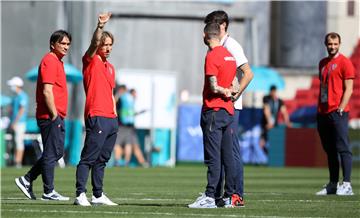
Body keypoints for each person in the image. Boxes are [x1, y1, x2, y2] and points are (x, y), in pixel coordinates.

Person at [204, 10, 254, 207]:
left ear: (223, 25)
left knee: (231, 152)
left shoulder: (231, 45)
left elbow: (248, 73)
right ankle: (221, 195)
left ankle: (235, 195)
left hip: (230, 106)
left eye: (213, 24)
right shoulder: (218, 47)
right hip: (223, 105)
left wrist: (235, 94)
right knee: (222, 153)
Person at [15, 30, 71, 201]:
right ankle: (48, 191)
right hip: (50, 115)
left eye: (68, 44)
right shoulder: (50, 60)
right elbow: (47, 91)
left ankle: (27, 179)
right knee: (52, 152)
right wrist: (54, 115)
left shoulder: (58, 62)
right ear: (52, 44)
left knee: (56, 152)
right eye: (62, 43)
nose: (66, 47)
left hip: (56, 115)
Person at [188, 22, 237, 208]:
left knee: (213, 157)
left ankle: (209, 196)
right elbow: (236, 84)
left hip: (214, 111)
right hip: (228, 111)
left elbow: (213, 86)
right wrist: (231, 93)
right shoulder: (230, 56)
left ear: (205, 35)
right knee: (227, 156)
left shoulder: (212, 55)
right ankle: (229, 197)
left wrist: (224, 91)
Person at [74, 12, 119, 206]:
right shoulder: (90, 61)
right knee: (88, 157)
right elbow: (93, 44)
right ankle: (80, 194)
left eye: (110, 45)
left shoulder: (110, 67)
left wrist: (115, 114)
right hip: (96, 114)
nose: (107, 48)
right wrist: (100, 27)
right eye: (104, 44)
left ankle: (98, 195)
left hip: (111, 118)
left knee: (102, 160)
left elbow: (110, 92)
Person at [316, 32, 355, 196]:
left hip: (338, 111)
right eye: (329, 44)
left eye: (335, 44)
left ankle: (346, 184)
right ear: (326, 44)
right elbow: (324, 87)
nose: (332, 47)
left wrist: (341, 107)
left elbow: (349, 88)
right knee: (330, 150)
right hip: (323, 112)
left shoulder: (345, 62)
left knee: (343, 148)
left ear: (339, 44)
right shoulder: (323, 63)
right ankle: (333, 184)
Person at [114, 86, 148, 167]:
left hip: (124, 126)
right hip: (125, 127)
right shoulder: (126, 100)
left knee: (123, 144)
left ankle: (120, 161)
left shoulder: (124, 100)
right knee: (127, 144)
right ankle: (124, 161)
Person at [260, 85, 291, 154]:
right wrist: (269, 122)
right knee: (263, 141)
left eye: (274, 91)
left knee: (274, 142)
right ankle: (264, 157)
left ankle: (271, 156)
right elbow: (266, 110)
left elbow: (284, 112)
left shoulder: (279, 101)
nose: (273, 93)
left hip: (274, 125)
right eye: (272, 91)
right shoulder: (266, 98)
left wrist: (287, 121)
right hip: (266, 124)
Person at [7, 76, 29, 168]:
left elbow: (22, 110)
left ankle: (18, 162)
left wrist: (15, 122)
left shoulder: (22, 96)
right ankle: (15, 161)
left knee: (19, 141)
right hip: (14, 123)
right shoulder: (15, 97)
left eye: (13, 85)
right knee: (14, 142)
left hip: (20, 123)